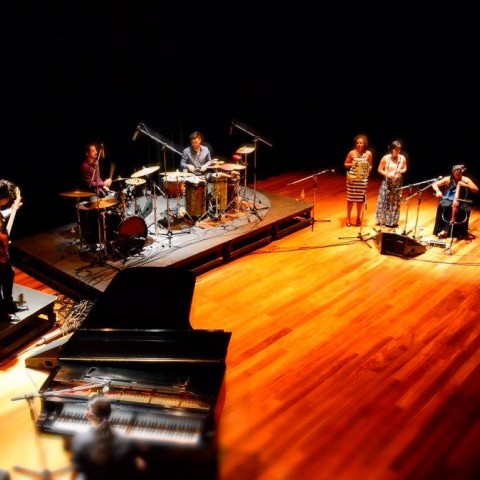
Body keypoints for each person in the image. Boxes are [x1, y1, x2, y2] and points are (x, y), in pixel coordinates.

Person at [70, 394, 146, 480]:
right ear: (110, 412)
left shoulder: (80, 440)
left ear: (88, 414)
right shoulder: (125, 443)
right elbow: (130, 470)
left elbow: (79, 467)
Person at [0, 179, 27, 318]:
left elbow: (0, 215)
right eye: (7, 199)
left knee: (8, 273)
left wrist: (11, 209)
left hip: (2, 253)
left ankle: (8, 303)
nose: (8, 201)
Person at [431, 164, 478, 239]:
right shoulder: (448, 179)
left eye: (459, 173)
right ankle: (445, 230)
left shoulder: (466, 180)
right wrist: (437, 191)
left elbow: (476, 190)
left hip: (461, 200)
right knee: (448, 206)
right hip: (448, 199)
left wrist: (466, 185)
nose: (458, 175)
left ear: (462, 173)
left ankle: (458, 232)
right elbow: (434, 184)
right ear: (453, 173)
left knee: (462, 208)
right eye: (456, 173)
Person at [375, 140, 407, 228]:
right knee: (385, 200)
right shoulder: (386, 158)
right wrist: (388, 174)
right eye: (396, 149)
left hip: (397, 182)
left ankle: (392, 221)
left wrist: (400, 170)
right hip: (387, 181)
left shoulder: (402, 158)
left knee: (395, 201)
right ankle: (382, 220)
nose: (397, 151)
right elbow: (379, 169)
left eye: (399, 150)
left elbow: (405, 168)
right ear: (392, 149)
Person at [344, 134, 373, 226]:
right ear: (355, 144)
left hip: (362, 180)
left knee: (360, 200)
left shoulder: (368, 154)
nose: (359, 144)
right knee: (350, 199)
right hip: (352, 179)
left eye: (361, 143)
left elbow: (370, 165)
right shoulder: (352, 153)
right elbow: (345, 164)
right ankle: (348, 217)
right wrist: (351, 164)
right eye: (358, 143)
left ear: (364, 144)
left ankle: (358, 217)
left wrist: (368, 171)